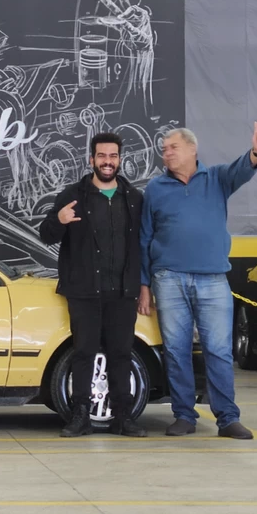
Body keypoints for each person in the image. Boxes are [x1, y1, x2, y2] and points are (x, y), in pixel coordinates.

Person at [138, 124, 257, 439]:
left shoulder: (217, 178)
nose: (166, 153)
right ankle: (184, 416)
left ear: (192, 149)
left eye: (173, 147)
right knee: (176, 351)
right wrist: (144, 285)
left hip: (212, 279)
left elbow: (242, 170)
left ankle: (227, 419)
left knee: (219, 350)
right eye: (164, 149)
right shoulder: (155, 188)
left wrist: (256, 152)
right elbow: (144, 238)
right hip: (168, 279)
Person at [40, 132, 147, 438]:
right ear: (91, 160)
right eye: (101, 156)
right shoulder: (73, 195)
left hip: (123, 292)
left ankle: (123, 418)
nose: (107, 162)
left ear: (120, 160)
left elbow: (143, 244)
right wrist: (59, 220)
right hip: (84, 291)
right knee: (83, 353)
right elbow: (46, 234)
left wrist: (143, 286)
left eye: (113, 156)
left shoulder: (134, 198)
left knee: (121, 354)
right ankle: (80, 417)